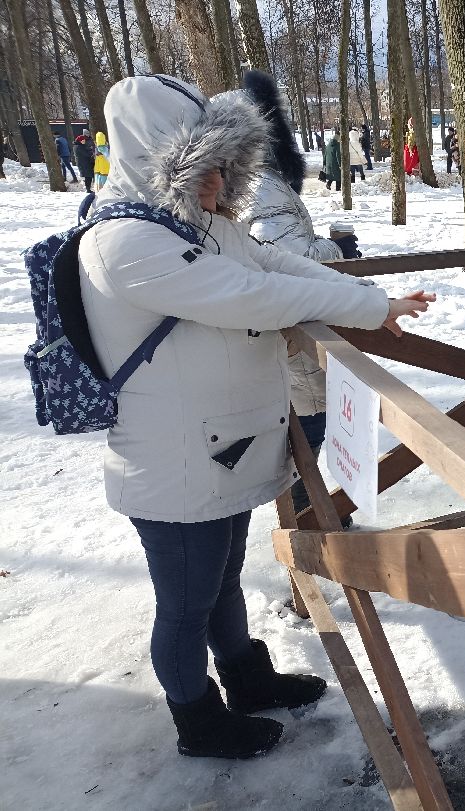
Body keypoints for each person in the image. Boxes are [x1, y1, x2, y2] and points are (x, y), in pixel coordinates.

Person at [78, 75, 434, 760]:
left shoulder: (199, 226)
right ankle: (198, 719)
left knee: (221, 581)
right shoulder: (124, 241)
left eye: (223, 166)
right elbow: (254, 294)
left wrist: (371, 299)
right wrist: (363, 310)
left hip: (222, 448)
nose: (216, 182)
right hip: (174, 463)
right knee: (185, 603)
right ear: (157, 157)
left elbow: (273, 261)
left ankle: (245, 676)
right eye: (202, 166)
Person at [236, 70, 360, 518]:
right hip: (291, 324)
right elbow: (282, 252)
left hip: (282, 320)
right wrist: (338, 249)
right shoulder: (262, 185)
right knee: (310, 421)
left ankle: (312, 508)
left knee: (305, 419)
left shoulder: (254, 183)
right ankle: (310, 514)